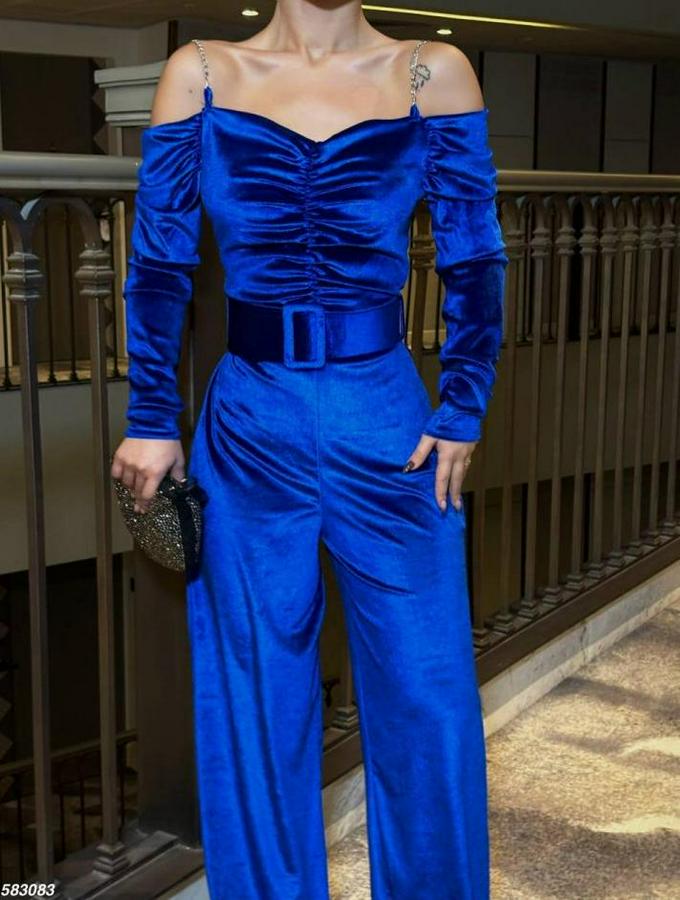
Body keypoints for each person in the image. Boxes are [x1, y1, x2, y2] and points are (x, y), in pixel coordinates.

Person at [110, 6, 508, 898]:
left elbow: (475, 255)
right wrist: (152, 414)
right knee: (254, 694)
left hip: (392, 426)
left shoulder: (431, 71)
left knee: (428, 690)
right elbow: (160, 262)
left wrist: (464, 404)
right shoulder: (200, 73)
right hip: (250, 423)